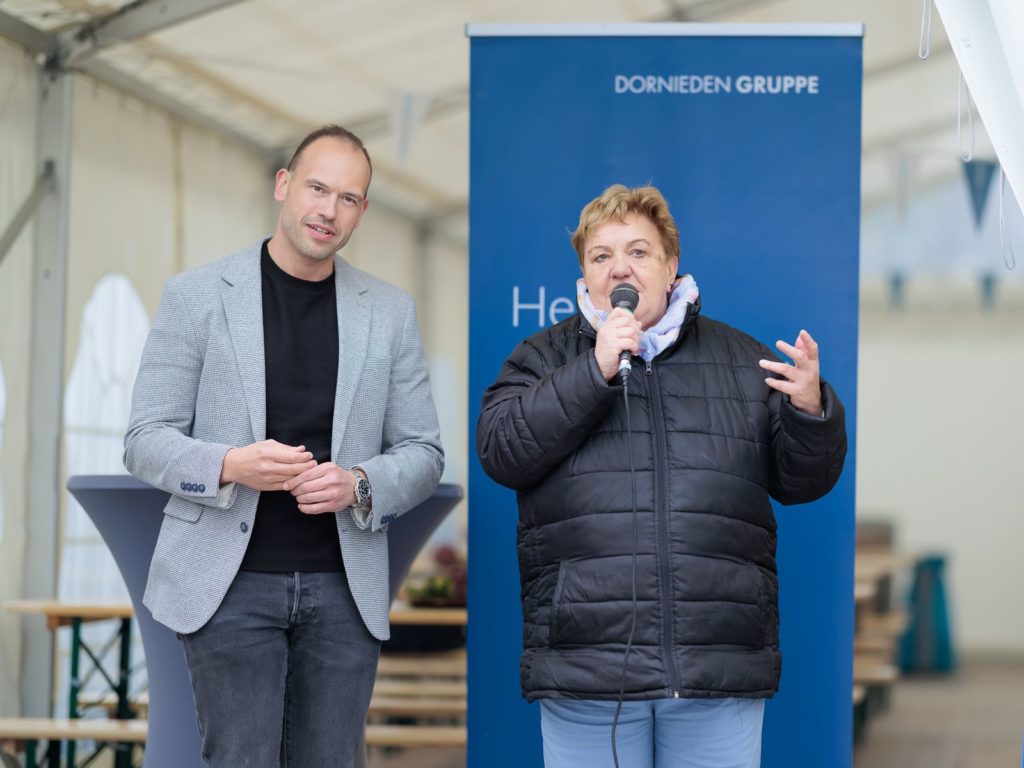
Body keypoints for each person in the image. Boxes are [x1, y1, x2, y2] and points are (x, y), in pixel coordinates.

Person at [476, 184, 846, 768]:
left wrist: (809, 412)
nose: (619, 267)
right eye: (601, 256)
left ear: (671, 267)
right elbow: (501, 451)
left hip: (714, 662)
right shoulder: (541, 358)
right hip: (588, 669)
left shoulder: (741, 360)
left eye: (638, 252)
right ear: (585, 272)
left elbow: (804, 483)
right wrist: (593, 370)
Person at [124, 125, 444, 767]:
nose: (328, 209)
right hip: (228, 584)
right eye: (317, 188)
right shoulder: (197, 296)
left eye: (348, 198)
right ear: (283, 186)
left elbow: (423, 452)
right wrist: (229, 464)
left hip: (344, 588)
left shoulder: (389, 311)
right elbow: (143, 440)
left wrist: (358, 483)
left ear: (362, 212)